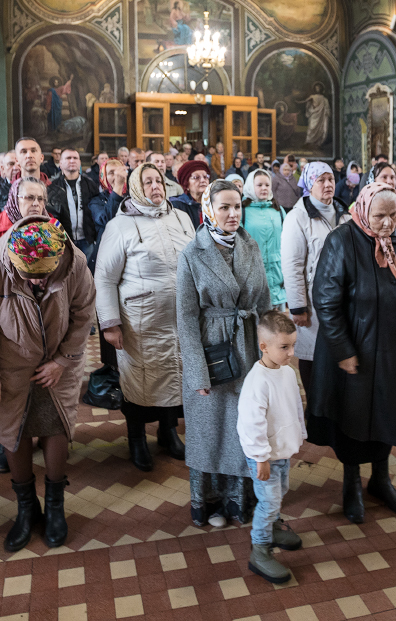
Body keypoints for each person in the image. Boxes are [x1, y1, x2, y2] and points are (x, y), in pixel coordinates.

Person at [0, 217, 95, 551]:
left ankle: (54, 506)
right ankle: (26, 508)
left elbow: (83, 313)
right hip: (7, 363)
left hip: (58, 361)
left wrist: (63, 361)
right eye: (28, 274)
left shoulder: (73, 261)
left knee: (55, 426)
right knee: (13, 430)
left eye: (43, 275)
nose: (36, 282)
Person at [309, 183, 396, 524]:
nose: (387, 223)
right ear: (363, 210)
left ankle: (380, 479)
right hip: (357, 348)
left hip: (395, 349)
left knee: (389, 413)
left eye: (392, 214)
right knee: (354, 418)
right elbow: (326, 302)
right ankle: (351, 483)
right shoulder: (342, 240)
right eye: (379, 216)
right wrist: (342, 349)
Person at [177, 179, 272, 528]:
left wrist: (271, 351)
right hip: (211, 345)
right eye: (225, 208)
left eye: (237, 206)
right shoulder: (192, 252)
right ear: (209, 210)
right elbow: (185, 317)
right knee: (210, 428)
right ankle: (209, 502)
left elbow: (264, 302)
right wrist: (197, 371)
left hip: (246, 344)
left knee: (243, 424)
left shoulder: (250, 246)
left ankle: (238, 501)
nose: (233, 214)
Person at [95, 162, 194, 471]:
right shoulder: (119, 226)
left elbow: (196, 260)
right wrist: (110, 324)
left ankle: (169, 433)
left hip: (180, 318)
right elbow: (104, 279)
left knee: (175, 376)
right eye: (148, 182)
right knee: (140, 380)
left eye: (159, 182)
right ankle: (136, 439)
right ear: (136, 187)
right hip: (141, 322)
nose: (155, 187)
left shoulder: (181, 217)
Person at [237, 311, 305, 584]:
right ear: (263, 346)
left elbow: (293, 407)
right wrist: (261, 458)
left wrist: (298, 434)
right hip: (263, 455)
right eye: (284, 347)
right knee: (268, 501)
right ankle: (260, 549)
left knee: (281, 491)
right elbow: (251, 425)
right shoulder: (257, 381)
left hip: (281, 451)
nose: (291, 353)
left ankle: (274, 529)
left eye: (293, 346)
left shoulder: (286, 372)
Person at [281, 163, 347, 407]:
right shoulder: (297, 217)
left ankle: (337, 404)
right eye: (321, 180)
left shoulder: (343, 210)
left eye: (331, 179)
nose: (328, 184)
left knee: (339, 347)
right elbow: (292, 265)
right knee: (312, 355)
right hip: (313, 298)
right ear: (309, 185)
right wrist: (298, 306)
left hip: (343, 297)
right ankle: (316, 406)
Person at [242, 169, 287, 309]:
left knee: (275, 325)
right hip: (253, 273)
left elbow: (286, 241)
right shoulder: (243, 210)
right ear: (250, 186)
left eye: (267, 185)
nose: (264, 188)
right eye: (259, 185)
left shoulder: (278, 210)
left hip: (277, 273)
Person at [48, 148, 98, 260]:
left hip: (87, 239)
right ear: (60, 163)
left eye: (75, 158)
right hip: (64, 241)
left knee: (86, 274)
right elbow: (51, 215)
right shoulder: (53, 187)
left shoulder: (90, 185)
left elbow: (95, 212)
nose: (72, 160)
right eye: (68, 158)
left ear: (79, 162)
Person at [367, 162, 396, 228]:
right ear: (373, 180)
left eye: (392, 177)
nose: (389, 181)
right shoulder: (361, 207)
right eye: (384, 177)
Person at [171, 159, 210, 229]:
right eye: (196, 177)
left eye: (205, 177)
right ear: (186, 184)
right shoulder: (177, 205)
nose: (203, 180)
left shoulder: (215, 202)